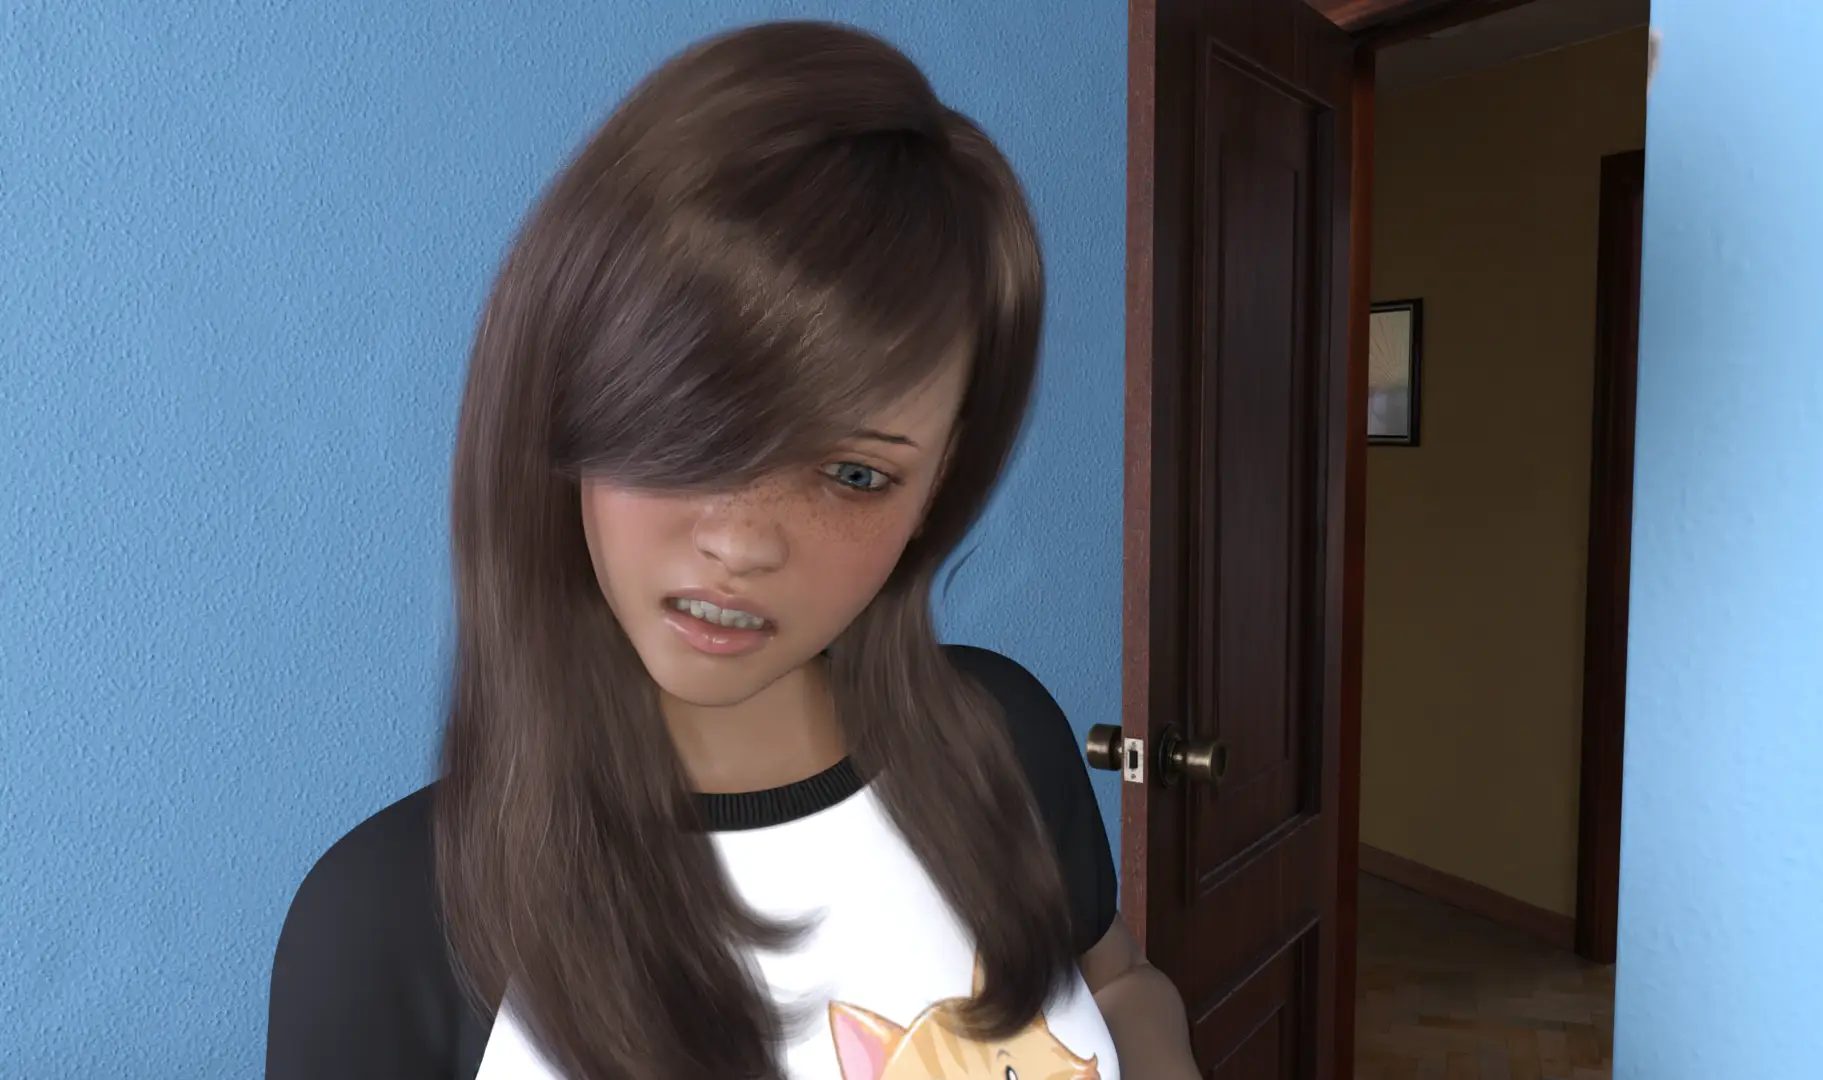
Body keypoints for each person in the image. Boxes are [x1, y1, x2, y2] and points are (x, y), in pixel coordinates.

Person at [265, 20, 1200, 1080]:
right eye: (697, 433)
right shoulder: (390, 922)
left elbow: (1117, 980)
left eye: (855, 475)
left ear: (939, 486)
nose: (743, 542)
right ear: (565, 398)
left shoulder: (1003, 739)